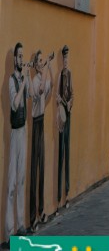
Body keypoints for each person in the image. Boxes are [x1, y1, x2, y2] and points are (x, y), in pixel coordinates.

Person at [5, 43, 31, 243]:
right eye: (19, 56)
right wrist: (23, 82)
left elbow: (30, 96)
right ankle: (9, 230)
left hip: (24, 130)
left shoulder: (23, 79)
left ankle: (21, 225)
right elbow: (14, 104)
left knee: (21, 179)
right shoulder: (11, 81)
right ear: (14, 59)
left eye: (23, 56)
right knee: (12, 184)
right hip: (15, 133)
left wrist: (29, 77)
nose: (22, 59)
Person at [29, 50, 54, 231]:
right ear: (35, 64)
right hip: (36, 123)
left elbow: (50, 87)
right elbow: (40, 90)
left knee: (42, 168)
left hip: (42, 121)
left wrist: (50, 66)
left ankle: (42, 210)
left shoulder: (43, 77)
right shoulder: (34, 81)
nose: (41, 63)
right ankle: (32, 218)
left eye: (42, 61)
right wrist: (47, 68)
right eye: (39, 61)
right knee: (34, 171)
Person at [57, 45, 74, 212]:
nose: (66, 62)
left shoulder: (70, 75)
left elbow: (73, 94)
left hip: (68, 116)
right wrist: (61, 102)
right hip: (61, 119)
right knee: (60, 155)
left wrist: (69, 103)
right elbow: (56, 95)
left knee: (67, 153)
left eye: (68, 59)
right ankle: (57, 197)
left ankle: (67, 193)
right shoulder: (59, 76)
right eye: (64, 59)